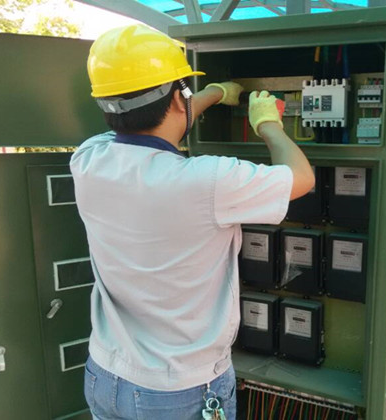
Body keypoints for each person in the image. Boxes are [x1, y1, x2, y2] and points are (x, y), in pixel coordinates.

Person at [71, 24, 314, 420]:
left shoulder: (88, 159)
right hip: (178, 391)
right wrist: (268, 123)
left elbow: (152, 125)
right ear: (176, 97)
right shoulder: (208, 180)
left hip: (106, 375)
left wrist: (215, 92)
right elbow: (301, 178)